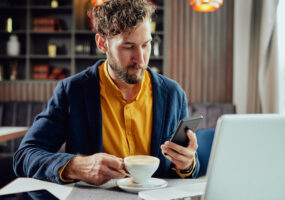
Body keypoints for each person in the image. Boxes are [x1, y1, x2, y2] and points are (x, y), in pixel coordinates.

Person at [13, 0, 200, 186]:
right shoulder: (73, 91)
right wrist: (77, 166)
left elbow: (189, 167)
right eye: (128, 46)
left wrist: (188, 163)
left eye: (146, 44)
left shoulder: (173, 93)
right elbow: (25, 156)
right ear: (102, 43)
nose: (141, 59)